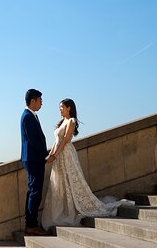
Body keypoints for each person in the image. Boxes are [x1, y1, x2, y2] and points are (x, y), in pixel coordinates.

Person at [41, 98, 134, 230]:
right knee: (62, 183)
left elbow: (65, 141)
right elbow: (57, 142)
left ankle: (76, 209)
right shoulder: (62, 121)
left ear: (69, 108)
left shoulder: (71, 121)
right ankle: (64, 211)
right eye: (60, 107)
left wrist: (54, 155)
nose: (60, 109)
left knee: (72, 181)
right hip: (59, 155)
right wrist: (52, 154)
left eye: (62, 107)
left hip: (66, 155)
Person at [20, 88, 53, 236]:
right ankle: (31, 225)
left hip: (33, 158)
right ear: (33, 101)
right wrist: (45, 155)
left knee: (32, 190)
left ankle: (30, 222)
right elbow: (33, 140)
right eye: (40, 101)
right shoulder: (27, 116)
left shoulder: (31, 115)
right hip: (34, 159)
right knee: (35, 192)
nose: (41, 104)